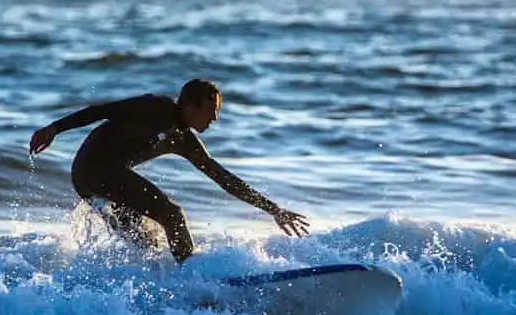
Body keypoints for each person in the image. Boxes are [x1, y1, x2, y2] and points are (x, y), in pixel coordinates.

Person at [28, 79, 309, 264]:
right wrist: (55, 128)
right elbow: (102, 111)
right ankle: (192, 276)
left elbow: (223, 178)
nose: (215, 118)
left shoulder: (185, 140)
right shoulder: (153, 107)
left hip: (100, 179)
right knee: (172, 214)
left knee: (147, 241)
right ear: (190, 105)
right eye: (211, 110)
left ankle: (153, 290)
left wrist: (273, 209)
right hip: (93, 169)